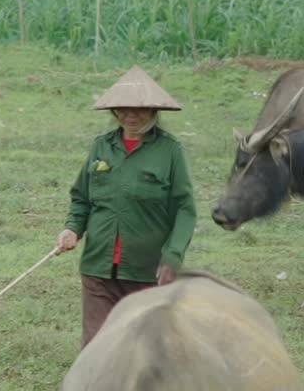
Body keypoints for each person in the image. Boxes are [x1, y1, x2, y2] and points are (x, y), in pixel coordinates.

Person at [55, 66, 197, 347]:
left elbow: (185, 208)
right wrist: (72, 229)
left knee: (146, 349)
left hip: (147, 270)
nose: (130, 116)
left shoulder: (170, 151)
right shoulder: (101, 147)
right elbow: (82, 198)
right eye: (123, 109)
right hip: (99, 267)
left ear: (154, 111)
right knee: (97, 347)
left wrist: (172, 256)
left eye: (139, 109)